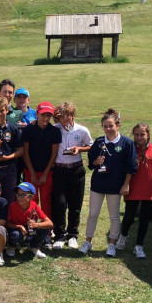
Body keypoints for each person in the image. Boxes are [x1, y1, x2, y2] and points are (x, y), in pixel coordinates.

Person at [79, 109, 137, 257]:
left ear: (117, 125)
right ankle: (87, 241)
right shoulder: (99, 142)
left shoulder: (127, 144)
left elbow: (131, 167)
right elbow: (91, 164)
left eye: (111, 125)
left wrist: (126, 184)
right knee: (92, 214)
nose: (108, 129)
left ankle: (112, 244)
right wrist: (96, 162)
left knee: (114, 216)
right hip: (98, 184)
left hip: (115, 186)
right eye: (105, 126)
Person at [116, 123, 152, 259]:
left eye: (142, 134)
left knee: (144, 219)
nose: (139, 137)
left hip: (149, 191)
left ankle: (139, 246)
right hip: (133, 189)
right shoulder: (130, 149)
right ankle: (123, 235)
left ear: (148, 134)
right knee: (128, 217)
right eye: (136, 134)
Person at [51, 102, 93, 250]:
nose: (64, 120)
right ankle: (60, 236)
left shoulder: (82, 130)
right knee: (60, 204)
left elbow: (91, 145)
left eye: (67, 116)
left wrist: (80, 148)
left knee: (75, 205)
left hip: (76, 170)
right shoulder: (55, 129)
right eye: (61, 117)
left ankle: (72, 235)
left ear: (73, 115)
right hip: (59, 171)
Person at [22, 101, 61, 217]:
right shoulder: (28, 129)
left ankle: (46, 229)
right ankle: (31, 225)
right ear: (37, 114)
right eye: (43, 114)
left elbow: (54, 155)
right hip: (30, 170)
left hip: (47, 171)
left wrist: (45, 174)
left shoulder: (55, 131)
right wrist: (32, 173)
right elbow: (25, 153)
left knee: (46, 199)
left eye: (48, 115)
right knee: (31, 199)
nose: (46, 118)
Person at [6, 182, 52, 260]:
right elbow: (7, 223)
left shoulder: (34, 206)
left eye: (23, 195)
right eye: (18, 194)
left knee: (45, 227)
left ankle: (33, 246)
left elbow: (50, 223)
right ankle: (11, 246)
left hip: (30, 228)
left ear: (31, 197)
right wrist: (19, 227)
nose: (19, 197)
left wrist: (36, 225)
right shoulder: (12, 206)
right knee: (15, 235)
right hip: (16, 229)